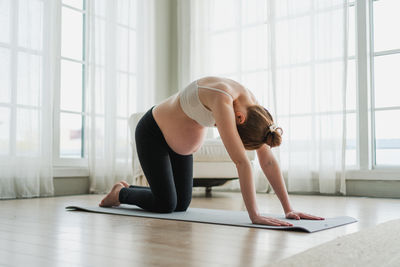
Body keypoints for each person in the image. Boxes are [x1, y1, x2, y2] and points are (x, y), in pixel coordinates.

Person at [99, 76, 324, 226]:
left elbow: (268, 161)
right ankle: (120, 194)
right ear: (239, 118)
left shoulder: (254, 109)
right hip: (153, 134)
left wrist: (288, 209)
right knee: (166, 205)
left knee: (181, 204)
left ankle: (137, 189)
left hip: (178, 146)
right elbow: (242, 162)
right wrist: (254, 216)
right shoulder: (222, 99)